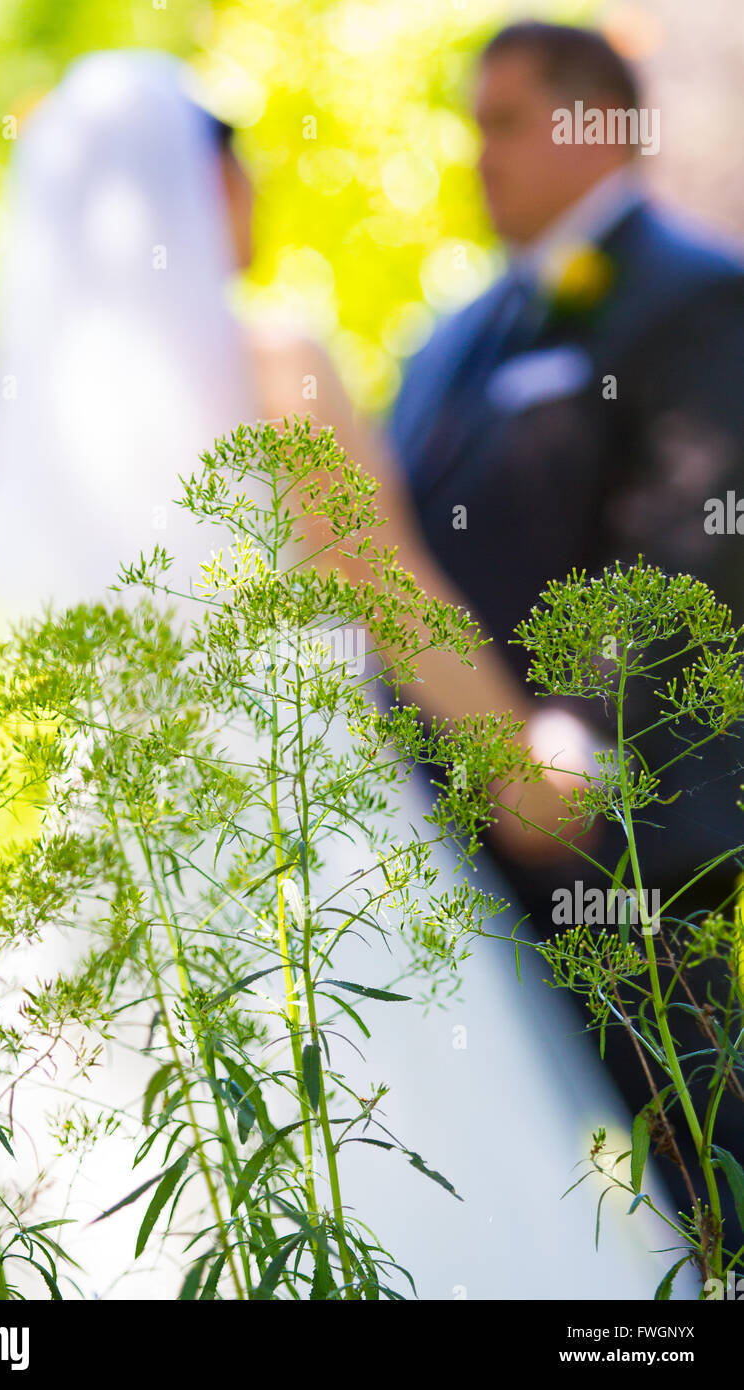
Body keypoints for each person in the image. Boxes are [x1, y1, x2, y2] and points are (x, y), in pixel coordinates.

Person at [0, 49, 677, 1297]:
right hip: (313, 819)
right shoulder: (270, 355)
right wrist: (525, 780)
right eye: (239, 173)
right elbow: (392, 595)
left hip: (122, 826)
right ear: (207, 192)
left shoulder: (53, 399)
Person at [390, 19, 744, 1231]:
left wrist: (569, 763)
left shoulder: (696, 300)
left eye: (505, 121)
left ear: (603, 124)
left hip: (639, 868)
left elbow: (695, 551)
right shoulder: (452, 338)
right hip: (473, 863)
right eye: (471, 124)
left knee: (693, 1204)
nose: (477, 153)